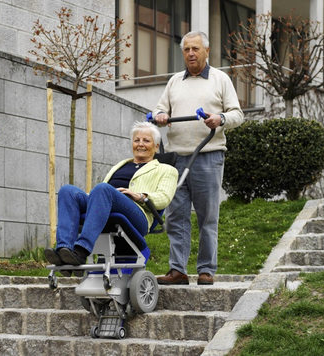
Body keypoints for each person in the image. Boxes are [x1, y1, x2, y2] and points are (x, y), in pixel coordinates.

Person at [152, 31, 244, 285]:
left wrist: (220, 119)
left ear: (206, 50)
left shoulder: (220, 79)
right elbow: (160, 108)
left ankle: (206, 270)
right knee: (176, 216)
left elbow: (237, 114)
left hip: (208, 155)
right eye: (186, 50)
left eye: (195, 49)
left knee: (207, 216)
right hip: (177, 159)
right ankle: (177, 270)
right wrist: (160, 115)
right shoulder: (174, 82)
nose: (190, 54)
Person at [44, 122, 178, 275]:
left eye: (146, 141)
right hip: (108, 202)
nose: (140, 144)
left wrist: (140, 196)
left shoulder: (166, 170)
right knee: (67, 191)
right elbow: (103, 192)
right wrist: (92, 196)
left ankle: (81, 250)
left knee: (103, 188)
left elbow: (164, 198)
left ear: (156, 146)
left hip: (138, 213)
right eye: (136, 140)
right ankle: (64, 251)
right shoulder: (121, 165)